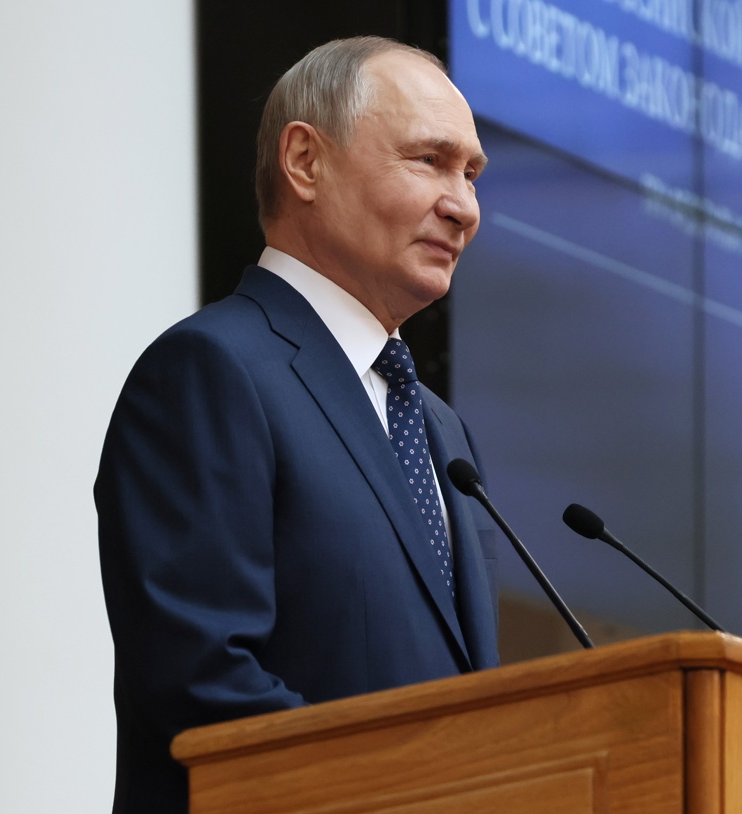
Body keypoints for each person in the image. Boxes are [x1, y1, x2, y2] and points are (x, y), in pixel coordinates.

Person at [94, 37, 499, 814]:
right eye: (429, 161)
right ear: (305, 162)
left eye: (472, 174)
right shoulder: (211, 372)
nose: (464, 206)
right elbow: (205, 681)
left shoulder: (443, 431)